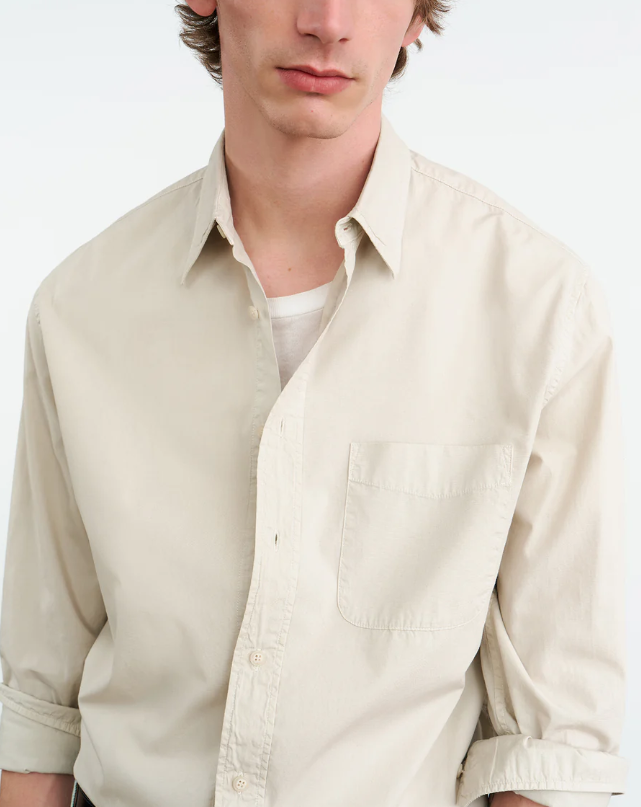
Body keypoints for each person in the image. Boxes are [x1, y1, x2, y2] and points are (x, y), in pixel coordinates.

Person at [0, 1, 629, 806]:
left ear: (413, 15)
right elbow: (38, 714)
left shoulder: (539, 312)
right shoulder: (81, 309)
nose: (328, 22)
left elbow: (550, 748)